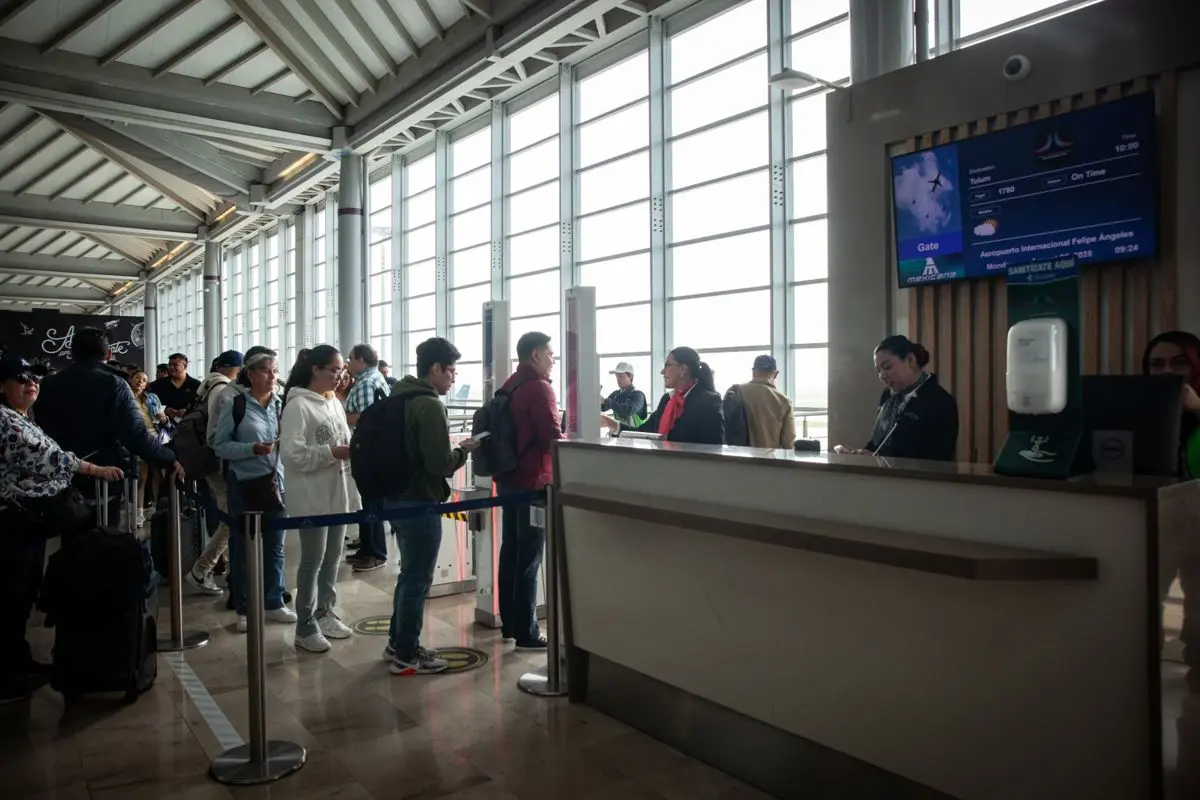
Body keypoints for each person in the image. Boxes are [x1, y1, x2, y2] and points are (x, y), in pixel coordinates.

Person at [0, 355, 123, 703]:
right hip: (13, 519)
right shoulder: (6, 421)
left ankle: (18, 661)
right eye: (21, 378)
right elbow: (46, 456)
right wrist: (94, 470)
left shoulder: (23, 417)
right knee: (11, 593)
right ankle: (8, 674)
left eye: (35, 377)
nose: (31, 383)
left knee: (21, 592)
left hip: (27, 519)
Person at [381, 337, 480, 674]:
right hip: (417, 498)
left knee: (407, 575)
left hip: (393, 494)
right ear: (435, 368)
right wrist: (465, 450)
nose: (453, 378)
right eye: (450, 370)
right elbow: (439, 462)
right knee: (418, 578)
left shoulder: (398, 395)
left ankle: (398, 640)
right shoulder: (429, 405)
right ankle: (406, 654)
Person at [34, 327, 182, 522]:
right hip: (101, 479)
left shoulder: (47, 384)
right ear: (109, 354)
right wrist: (170, 459)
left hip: (55, 476)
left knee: (64, 541)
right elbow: (135, 434)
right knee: (100, 540)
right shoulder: (114, 383)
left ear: (71, 354)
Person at [280, 346, 356, 653]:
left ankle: (326, 610)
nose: (340, 377)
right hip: (312, 495)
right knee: (312, 559)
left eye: (341, 371)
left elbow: (342, 440)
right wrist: (330, 454)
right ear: (315, 370)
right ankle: (305, 623)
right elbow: (291, 454)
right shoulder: (297, 405)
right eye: (334, 370)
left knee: (333, 556)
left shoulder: (333, 403)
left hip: (337, 492)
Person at [213, 350, 293, 633]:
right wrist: (251, 449)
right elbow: (219, 445)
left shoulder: (280, 405)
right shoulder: (235, 405)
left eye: (275, 370)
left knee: (275, 547)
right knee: (244, 547)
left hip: (276, 483)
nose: (273, 376)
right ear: (251, 374)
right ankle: (244, 607)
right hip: (244, 484)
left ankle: (273, 601)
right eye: (267, 371)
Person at [495, 331, 563, 650]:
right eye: (550, 354)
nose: (553, 361)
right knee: (530, 556)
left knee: (511, 550)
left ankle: (510, 622)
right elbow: (552, 435)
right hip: (533, 481)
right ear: (535, 354)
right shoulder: (539, 387)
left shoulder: (511, 384)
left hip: (509, 478)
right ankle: (527, 631)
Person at [1143, 331, 1200, 668]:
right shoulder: (1140, 407)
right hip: (1161, 519)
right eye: (1156, 364)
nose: (1166, 372)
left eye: (1178, 363)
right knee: (1148, 601)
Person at [833, 335, 958, 461]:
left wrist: (881, 461)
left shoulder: (941, 403)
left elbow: (935, 461)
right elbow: (880, 442)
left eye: (887, 367)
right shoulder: (888, 396)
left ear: (910, 360)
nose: (882, 376)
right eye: (878, 371)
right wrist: (862, 454)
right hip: (883, 478)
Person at [189, 350, 244, 596]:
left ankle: (221, 563)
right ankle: (201, 569)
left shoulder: (208, 386)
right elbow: (217, 433)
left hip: (209, 460)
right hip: (220, 463)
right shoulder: (223, 390)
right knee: (232, 519)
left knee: (227, 516)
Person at [601, 346, 724, 444]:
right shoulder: (667, 401)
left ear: (683, 369)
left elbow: (712, 450)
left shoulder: (709, 402)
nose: (662, 371)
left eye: (667, 365)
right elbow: (643, 432)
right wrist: (611, 424)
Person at [344, 344, 392, 573]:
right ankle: (367, 549)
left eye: (350, 358)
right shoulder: (372, 379)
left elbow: (365, 419)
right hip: (372, 450)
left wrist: (343, 416)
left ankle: (375, 553)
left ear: (361, 360)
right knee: (368, 501)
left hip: (369, 451)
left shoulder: (366, 383)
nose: (347, 363)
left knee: (371, 501)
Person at [127, 369, 170, 526]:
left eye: (144, 380)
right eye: (137, 378)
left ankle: (156, 510)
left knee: (158, 475)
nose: (140, 381)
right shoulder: (125, 396)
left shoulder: (152, 398)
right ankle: (138, 513)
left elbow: (164, 421)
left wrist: (164, 418)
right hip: (136, 438)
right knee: (141, 477)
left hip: (155, 436)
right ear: (131, 379)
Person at [734, 355, 796, 449]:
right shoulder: (784, 401)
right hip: (770, 460)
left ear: (753, 371)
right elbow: (788, 441)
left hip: (739, 459)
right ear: (776, 374)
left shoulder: (737, 392)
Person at [149, 353, 201, 423]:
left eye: (175, 365)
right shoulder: (158, 383)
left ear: (185, 366)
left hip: (189, 425)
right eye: (170, 365)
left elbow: (200, 406)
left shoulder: (196, 384)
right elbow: (151, 402)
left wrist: (187, 411)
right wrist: (165, 410)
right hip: (164, 426)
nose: (171, 367)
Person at [600, 361, 648, 426]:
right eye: (616, 376)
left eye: (621, 376)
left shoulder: (638, 395)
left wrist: (606, 401)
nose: (618, 379)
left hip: (637, 434)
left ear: (630, 376)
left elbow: (629, 410)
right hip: (621, 433)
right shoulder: (616, 394)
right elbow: (603, 408)